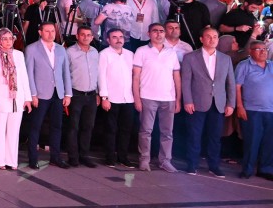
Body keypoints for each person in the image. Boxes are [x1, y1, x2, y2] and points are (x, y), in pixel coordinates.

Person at [180, 26, 236, 177]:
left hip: (218, 103)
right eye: (209, 37)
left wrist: (231, 103)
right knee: (194, 135)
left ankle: (214, 166)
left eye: (215, 37)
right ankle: (192, 164)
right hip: (197, 102)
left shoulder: (225, 59)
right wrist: (188, 101)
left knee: (215, 137)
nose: (212, 40)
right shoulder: (190, 57)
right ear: (201, 39)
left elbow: (230, 83)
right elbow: (186, 81)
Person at [132, 23, 181, 173]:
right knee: (146, 130)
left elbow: (177, 76)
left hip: (168, 97)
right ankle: (144, 159)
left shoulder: (171, 53)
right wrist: (137, 98)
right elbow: (135, 77)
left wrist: (178, 99)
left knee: (167, 132)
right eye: (155, 31)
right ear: (149, 34)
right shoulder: (141, 51)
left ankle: (165, 160)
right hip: (147, 96)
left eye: (161, 31)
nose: (159, 34)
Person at [24, 22, 71, 169]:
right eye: (47, 31)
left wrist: (67, 93)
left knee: (57, 126)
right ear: (40, 32)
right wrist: (33, 94)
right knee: (35, 127)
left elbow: (66, 73)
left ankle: (55, 157)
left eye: (52, 31)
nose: (50, 34)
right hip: (40, 94)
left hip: (58, 93)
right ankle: (33, 159)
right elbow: (29, 73)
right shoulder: (32, 49)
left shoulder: (60, 49)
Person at [0, 28, 31, 170]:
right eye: (4, 38)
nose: (7, 41)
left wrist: (27, 98)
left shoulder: (19, 55)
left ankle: (12, 161)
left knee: (14, 131)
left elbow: (24, 77)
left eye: (10, 38)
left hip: (16, 99)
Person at [97, 28, 137, 167]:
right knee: (110, 129)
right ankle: (109, 157)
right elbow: (101, 76)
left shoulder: (130, 54)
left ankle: (123, 156)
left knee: (126, 129)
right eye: (115, 37)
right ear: (108, 40)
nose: (118, 39)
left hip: (128, 98)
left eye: (121, 37)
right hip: (111, 98)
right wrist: (104, 97)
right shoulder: (104, 54)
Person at [234, 39, 273, 178]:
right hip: (252, 110)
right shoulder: (244, 65)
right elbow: (237, 87)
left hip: (271, 110)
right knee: (252, 141)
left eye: (265, 49)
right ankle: (247, 170)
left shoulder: (271, 65)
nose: (263, 51)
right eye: (258, 49)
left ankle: (265, 169)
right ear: (250, 51)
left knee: (269, 142)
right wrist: (239, 106)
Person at [65, 26, 101, 167]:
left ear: (92, 37)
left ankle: (84, 155)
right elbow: (65, 74)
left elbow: (97, 74)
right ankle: (73, 157)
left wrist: (98, 93)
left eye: (88, 35)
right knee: (73, 127)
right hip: (76, 94)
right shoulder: (70, 52)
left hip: (91, 95)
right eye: (83, 35)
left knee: (88, 126)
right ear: (77, 36)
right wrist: (67, 94)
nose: (86, 37)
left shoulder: (95, 52)